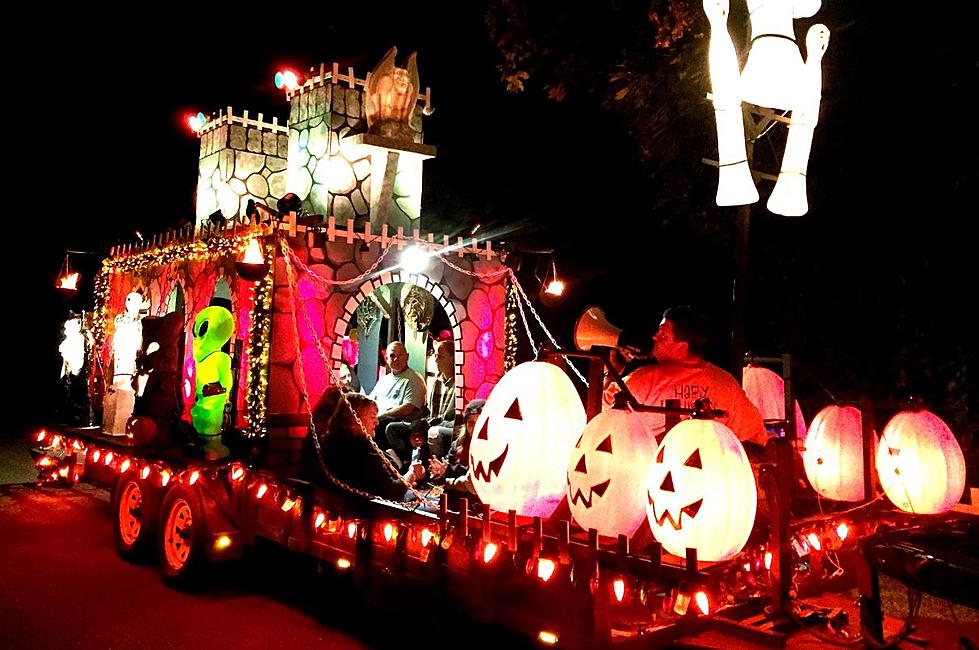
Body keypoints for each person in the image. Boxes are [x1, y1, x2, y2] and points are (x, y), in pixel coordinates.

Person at [604, 306, 767, 449]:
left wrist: (613, 372)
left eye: (663, 335)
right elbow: (754, 438)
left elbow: (600, 413)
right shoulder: (726, 383)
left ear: (682, 346)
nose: (654, 337)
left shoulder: (643, 379)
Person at [309, 388, 414, 501]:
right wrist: (411, 475)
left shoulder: (331, 441)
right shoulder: (359, 451)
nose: (377, 422)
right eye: (372, 417)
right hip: (372, 509)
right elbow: (392, 491)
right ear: (354, 420)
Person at [369, 341, 426, 461]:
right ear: (386, 358)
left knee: (379, 422)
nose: (396, 359)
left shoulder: (414, 379)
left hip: (401, 421)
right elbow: (371, 400)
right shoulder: (384, 380)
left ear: (407, 356)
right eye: (392, 356)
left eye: (400, 355)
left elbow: (408, 407)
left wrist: (382, 415)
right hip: (378, 417)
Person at [426, 339, 457, 458]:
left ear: (453, 358)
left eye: (441, 357)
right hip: (434, 421)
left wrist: (433, 422)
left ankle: (438, 469)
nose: (436, 360)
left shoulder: (458, 383)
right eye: (436, 356)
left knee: (434, 432)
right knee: (393, 428)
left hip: (449, 425)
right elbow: (431, 411)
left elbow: (449, 416)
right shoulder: (437, 383)